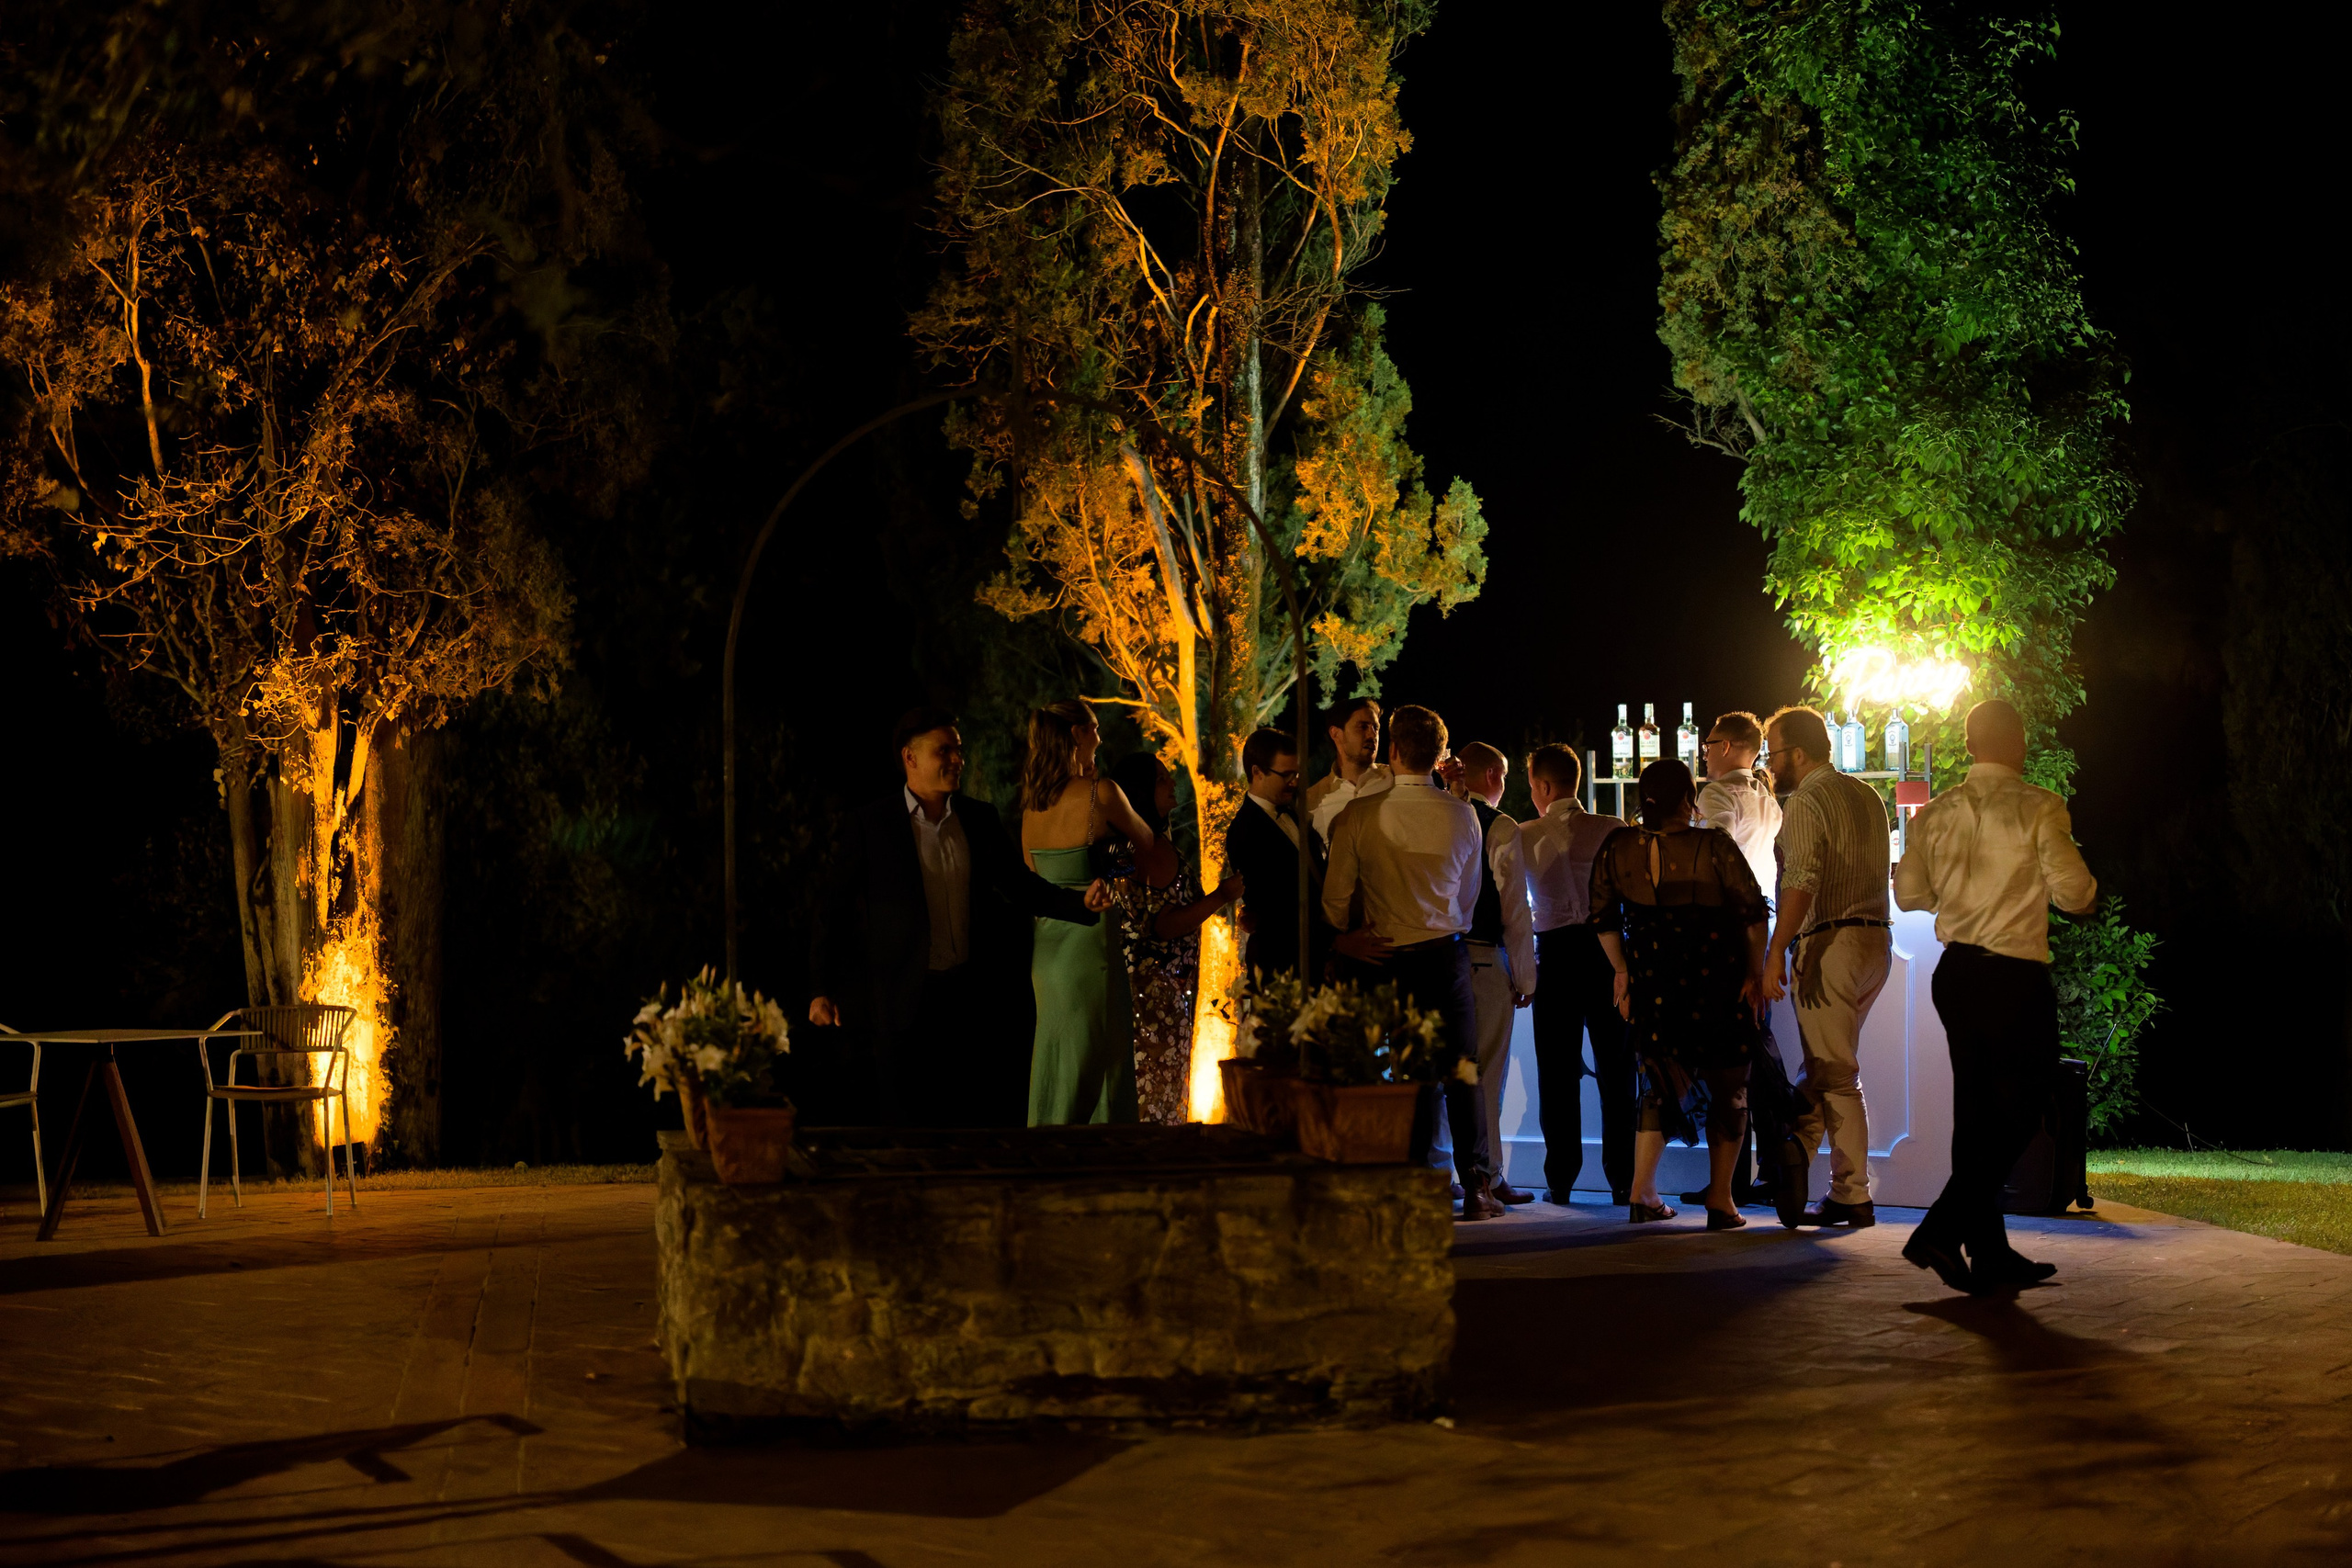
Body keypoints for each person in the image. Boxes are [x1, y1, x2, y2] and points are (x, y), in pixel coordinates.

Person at [808, 706, 1113, 1126]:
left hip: (968, 995)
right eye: (944, 751)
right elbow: (833, 909)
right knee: (906, 1126)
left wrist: (1079, 904)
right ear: (910, 758)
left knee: (968, 1121)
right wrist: (820, 989)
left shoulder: (977, 818)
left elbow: (1019, 885)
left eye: (959, 749)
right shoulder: (871, 825)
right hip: (901, 1002)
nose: (957, 760)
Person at [1894, 699, 2099, 1293]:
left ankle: (1989, 1254)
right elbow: (2074, 890)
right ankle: (1941, 1228)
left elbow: (1908, 894)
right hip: (2013, 975)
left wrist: (1959, 899)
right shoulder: (2039, 806)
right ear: (2019, 743)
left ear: (1968, 744)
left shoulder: (1936, 812)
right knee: (2027, 1104)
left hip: (1956, 973)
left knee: (1976, 1114)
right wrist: (2080, 897)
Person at [1322, 705, 1499, 1219]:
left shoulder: (1357, 817)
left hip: (1382, 955)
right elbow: (1468, 899)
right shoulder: (1463, 814)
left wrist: (1347, 933)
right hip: (1445, 954)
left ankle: (1405, 1178)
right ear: (1438, 754)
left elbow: (1334, 904)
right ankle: (1477, 1187)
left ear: (1394, 750)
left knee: (1395, 1074)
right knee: (1461, 1070)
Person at [1589, 760, 1772, 1227]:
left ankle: (1642, 1192)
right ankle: (1721, 1200)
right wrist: (1755, 972)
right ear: (1689, 798)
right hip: (1717, 981)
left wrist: (1623, 971)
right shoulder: (1714, 846)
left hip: (1655, 983)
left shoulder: (1618, 846)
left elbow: (1603, 918)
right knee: (1729, 1084)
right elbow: (1754, 914)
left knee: (1660, 1083)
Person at [1762, 704, 1894, 1230]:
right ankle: (1793, 1150)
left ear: (1796, 754)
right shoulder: (1867, 796)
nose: (1770, 765)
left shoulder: (1806, 801)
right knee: (1823, 1063)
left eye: (1773, 754)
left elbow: (1801, 880)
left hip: (1830, 942)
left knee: (1836, 1073)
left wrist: (1776, 949)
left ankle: (1850, 1193)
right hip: (1876, 943)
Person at [1021, 700, 1167, 1126]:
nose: (1100, 738)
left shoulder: (1031, 807)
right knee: (1103, 1057)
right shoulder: (1100, 793)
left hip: (1047, 953)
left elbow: (1032, 879)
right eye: (1095, 729)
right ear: (1076, 735)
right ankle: (1092, 1148)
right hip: (1091, 946)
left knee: (1057, 1052)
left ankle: (1043, 1139)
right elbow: (1147, 840)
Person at [1520, 743, 1636, 1205]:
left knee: (1556, 1071)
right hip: (1607, 953)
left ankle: (1561, 1179)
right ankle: (1624, 1179)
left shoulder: (1525, 834)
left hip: (1554, 956)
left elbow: (1514, 904)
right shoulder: (1613, 828)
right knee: (1617, 1069)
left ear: (1544, 786)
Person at [1105, 752, 1245, 1124]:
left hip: (1151, 995)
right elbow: (1162, 925)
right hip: (1156, 999)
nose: (1172, 783)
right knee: (1157, 1098)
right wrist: (1221, 896)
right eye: (1161, 779)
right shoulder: (1148, 848)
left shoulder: (1131, 845)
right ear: (1140, 792)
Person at [1680, 709, 1784, 1207]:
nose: (1704, 752)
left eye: (1708, 744)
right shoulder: (1765, 796)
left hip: (1727, 929)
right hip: (1761, 924)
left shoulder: (1717, 795)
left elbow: (1714, 854)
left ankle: (1733, 1178)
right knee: (1753, 1048)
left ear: (1725, 747)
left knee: (1728, 1059)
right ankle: (1766, 1170)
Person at [1426, 741, 1538, 1203]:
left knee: (1436, 1072)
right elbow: (1514, 907)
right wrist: (1526, 976)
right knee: (1486, 1072)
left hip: (1430, 955)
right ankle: (1487, 1175)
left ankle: (1436, 1173)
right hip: (1482, 955)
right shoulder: (1499, 825)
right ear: (1493, 774)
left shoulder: (1431, 814)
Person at [1305, 696, 1393, 845]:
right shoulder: (1313, 799)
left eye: (1375, 728)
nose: (1372, 735)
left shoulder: (1395, 780)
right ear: (1336, 733)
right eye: (1363, 727)